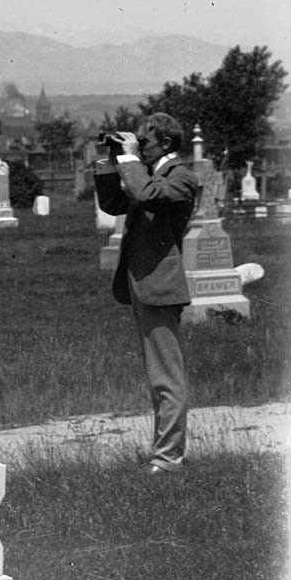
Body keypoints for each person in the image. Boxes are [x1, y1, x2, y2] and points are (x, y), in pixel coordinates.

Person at [94, 113, 198, 475]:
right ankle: (163, 454)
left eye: (145, 141)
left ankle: (168, 460)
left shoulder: (180, 178)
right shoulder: (152, 175)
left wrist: (130, 158)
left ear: (167, 143)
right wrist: (113, 160)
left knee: (167, 377)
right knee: (159, 377)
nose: (139, 145)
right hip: (144, 285)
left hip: (160, 287)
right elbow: (113, 204)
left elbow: (143, 194)